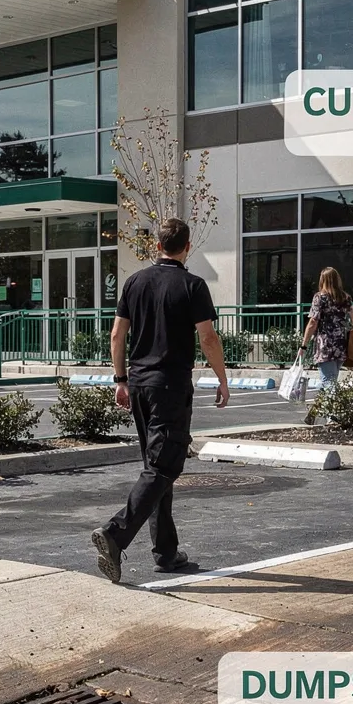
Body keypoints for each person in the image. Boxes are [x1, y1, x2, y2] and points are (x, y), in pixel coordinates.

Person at [90, 218, 228, 584]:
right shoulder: (193, 285)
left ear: (158, 246)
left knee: (156, 467)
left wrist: (120, 380)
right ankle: (115, 534)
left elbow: (117, 334)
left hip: (138, 385)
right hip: (170, 386)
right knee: (164, 467)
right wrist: (222, 378)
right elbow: (208, 338)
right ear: (187, 247)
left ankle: (166, 552)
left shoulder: (135, 282)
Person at [299, 266, 353, 402]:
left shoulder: (319, 297)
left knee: (328, 381)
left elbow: (313, 322)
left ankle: (334, 410)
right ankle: (324, 408)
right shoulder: (345, 297)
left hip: (325, 344)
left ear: (323, 280)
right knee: (331, 379)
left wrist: (304, 345)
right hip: (341, 344)